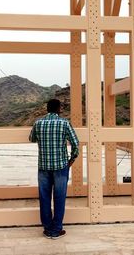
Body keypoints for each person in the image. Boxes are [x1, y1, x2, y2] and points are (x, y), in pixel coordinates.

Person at [29, 98, 79, 240]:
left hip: (43, 166)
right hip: (61, 167)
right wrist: (71, 160)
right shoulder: (64, 123)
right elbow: (76, 144)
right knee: (59, 198)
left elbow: (32, 138)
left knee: (44, 197)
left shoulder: (38, 123)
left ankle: (47, 229)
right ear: (58, 109)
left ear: (47, 109)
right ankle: (56, 230)